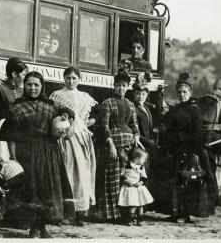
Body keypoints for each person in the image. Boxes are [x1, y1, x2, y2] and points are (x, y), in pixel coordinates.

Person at [0, 71, 74, 238]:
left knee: (47, 189)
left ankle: (43, 228)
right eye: (29, 84)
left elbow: (63, 121)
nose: (32, 88)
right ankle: (33, 227)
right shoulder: (16, 107)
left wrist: (67, 117)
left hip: (48, 152)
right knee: (31, 190)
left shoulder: (51, 106)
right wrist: (14, 159)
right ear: (24, 86)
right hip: (26, 152)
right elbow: (11, 136)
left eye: (36, 85)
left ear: (42, 86)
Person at [160, 72, 218, 223]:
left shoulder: (195, 109)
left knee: (189, 181)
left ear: (190, 92)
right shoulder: (176, 109)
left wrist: (180, 138)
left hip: (191, 148)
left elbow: (198, 133)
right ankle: (176, 212)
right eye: (179, 92)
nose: (181, 94)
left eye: (184, 92)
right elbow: (166, 123)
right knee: (176, 181)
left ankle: (186, 213)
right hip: (176, 149)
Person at [49, 66, 98, 226]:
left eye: (74, 78)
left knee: (81, 174)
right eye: (68, 78)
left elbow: (97, 114)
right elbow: (52, 115)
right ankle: (63, 213)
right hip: (64, 138)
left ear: (79, 79)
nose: (71, 81)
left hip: (81, 138)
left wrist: (87, 123)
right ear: (64, 78)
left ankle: (79, 213)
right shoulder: (57, 95)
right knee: (66, 171)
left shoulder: (84, 97)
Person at [93, 67, 142, 222]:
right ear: (114, 86)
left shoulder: (131, 104)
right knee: (112, 179)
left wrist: (136, 136)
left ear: (127, 87)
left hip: (129, 146)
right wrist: (111, 145)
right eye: (118, 85)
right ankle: (112, 214)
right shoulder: (107, 102)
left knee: (129, 178)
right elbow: (104, 126)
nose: (121, 88)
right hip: (113, 144)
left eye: (124, 85)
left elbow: (134, 125)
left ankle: (128, 214)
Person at [129, 72, 158, 202]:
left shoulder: (146, 108)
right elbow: (133, 130)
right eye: (137, 93)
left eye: (143, 94)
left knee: (145, 175)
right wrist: (147, 142)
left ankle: (143, 206)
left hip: (147, 147)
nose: (140, 97)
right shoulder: (133, 109)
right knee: (137, 177)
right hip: (138, 146)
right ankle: (135, 206)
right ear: (133, 94)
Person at [118, 147, 153, 226]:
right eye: (144, 159)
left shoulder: (141, 167)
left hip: (137, 187)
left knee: (140, 203)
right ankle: (130, 219)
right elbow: (121, 175)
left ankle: (140, 219)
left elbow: (144, 177)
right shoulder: (126, 165)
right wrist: (126, 181)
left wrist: (140, 182)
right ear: (137, 159)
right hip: (129, 187)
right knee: (132, 204)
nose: (144, 161)